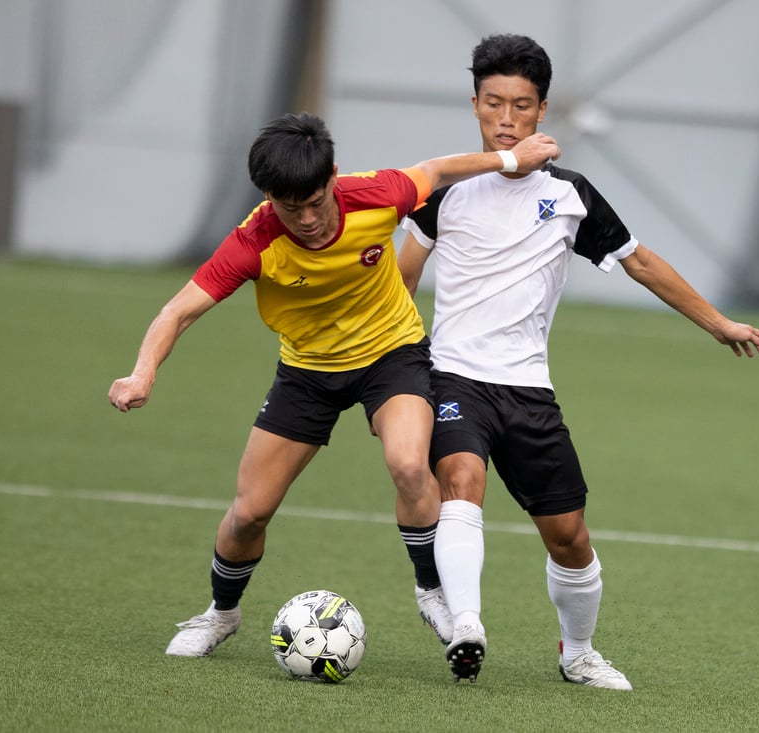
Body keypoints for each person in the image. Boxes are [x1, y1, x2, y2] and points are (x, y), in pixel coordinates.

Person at [108, 112, 559, 658]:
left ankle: (430, 590)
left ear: (334, 176)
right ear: (268, 198)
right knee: (250, 512)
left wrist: (512, 158)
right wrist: (143, 372)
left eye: (316, 202)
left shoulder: (376, 195)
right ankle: (221, 614)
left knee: (409, 463)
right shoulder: (254, 240)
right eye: (290, 208)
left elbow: (438, 169)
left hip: (392, 355)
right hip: (307, 372)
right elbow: (177, 312)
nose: (307, 220)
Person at [398, 34, 759, 689]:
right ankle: (467, 626)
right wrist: (393, 372)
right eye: (492, 103)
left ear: (542, 111)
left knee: (569, 535)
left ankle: (578, 653)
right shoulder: (444, 188)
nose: (505, 118)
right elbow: (401, 279)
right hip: (454, 375)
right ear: (475, 104)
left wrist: (718, 323)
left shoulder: (570, 194)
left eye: (520, 105)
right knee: (461, 479)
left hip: (528, 389)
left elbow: (640, 262)